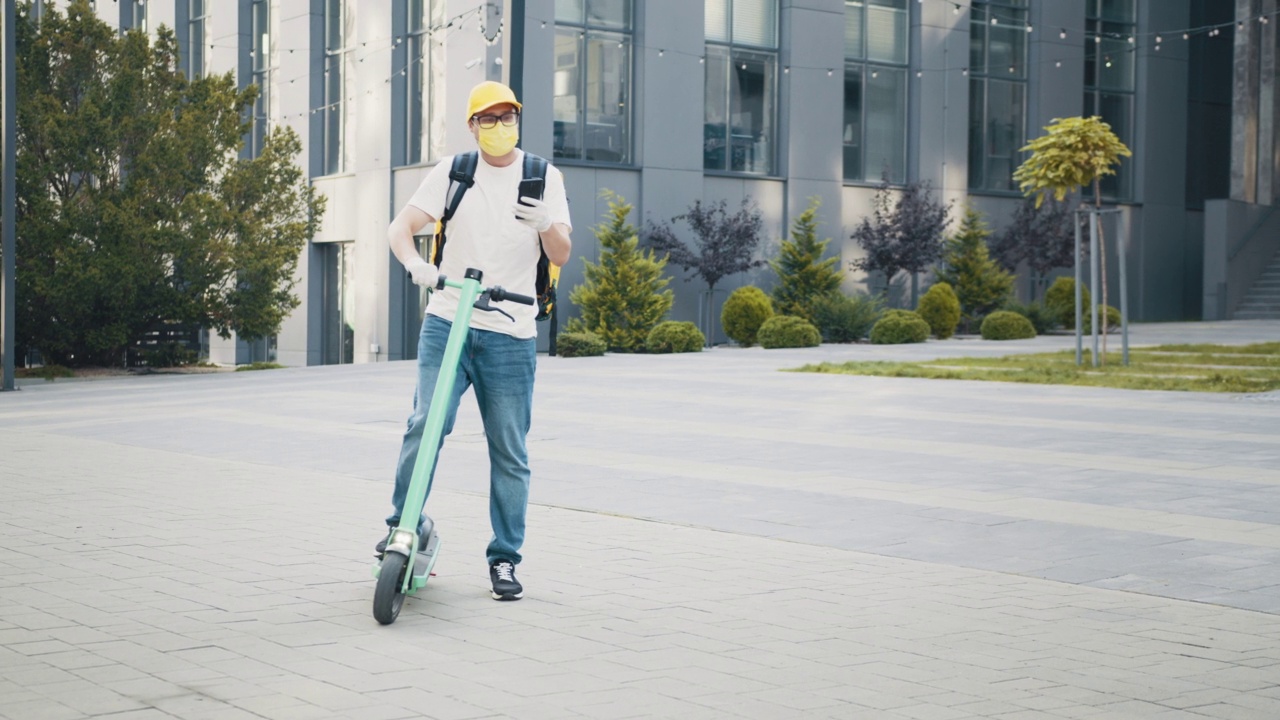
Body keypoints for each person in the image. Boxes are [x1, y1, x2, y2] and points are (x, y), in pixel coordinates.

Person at [381, 81, 572, 601]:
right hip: (448, 319)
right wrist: (418, 266)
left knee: (509, 448)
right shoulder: (454, 171)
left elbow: (561, 253)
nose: (499, 126)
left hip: (511, 330)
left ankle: (505, 558)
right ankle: (402, 524)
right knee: (426, 423)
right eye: (488, 118)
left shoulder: (542, 176)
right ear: (472, 125)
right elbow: (401, 228)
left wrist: (545, 222)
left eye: (507, 116)